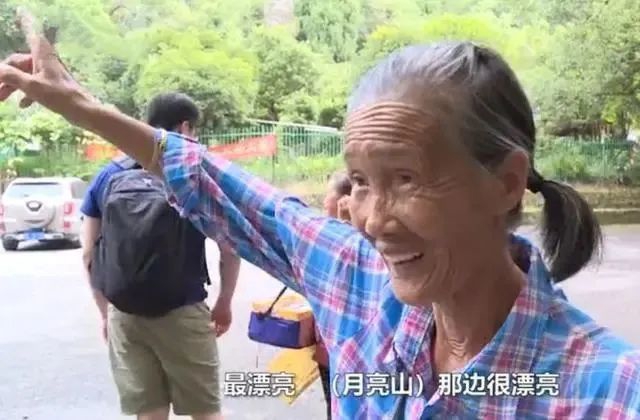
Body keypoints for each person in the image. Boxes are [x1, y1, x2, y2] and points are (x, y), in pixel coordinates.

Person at [2, 22, 640, 418]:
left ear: (504, 182)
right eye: (359, 182)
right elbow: (231, 189)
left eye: (406, 179)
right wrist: (84, 107)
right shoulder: (360, 280)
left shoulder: (606, 393)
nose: (372, 221)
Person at [80, 92, 241, 420]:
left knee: (150, 413)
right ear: (185, 127)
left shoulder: (108, 176)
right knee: (206, 412)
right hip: (182, 308)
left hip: (125, 313)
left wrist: (106, 312)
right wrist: (224, 302)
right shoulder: (195, 174)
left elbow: (88, 253)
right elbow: (229, 248)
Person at [315, 170, 351, 419]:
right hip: (327, 346)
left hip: (340, 347)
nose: (323, 201)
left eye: (328, 194)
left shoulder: (346, 241)